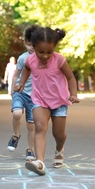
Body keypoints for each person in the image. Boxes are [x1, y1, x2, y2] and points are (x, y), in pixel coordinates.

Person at [15, 26, 80, 176]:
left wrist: (74, 94)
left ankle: (59, 149)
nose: (45, 56)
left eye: (49, 52)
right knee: (39, 127)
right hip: (40, 99)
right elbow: (26, 69)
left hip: (59, 100)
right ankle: (40, 162)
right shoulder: (30, 60)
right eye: (41, 52)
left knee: (59, 134)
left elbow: (70, 77)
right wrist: (22, 83)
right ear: (34, 47)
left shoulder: (59, 60)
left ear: (54, 48)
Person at [7, 25, 38, 160]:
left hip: (35, 96)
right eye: (29, 45)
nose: (31, 48)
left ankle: (30, 149)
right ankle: (16, 135)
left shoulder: (42, 58)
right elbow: (16, 74)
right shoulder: (22, 58)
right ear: (25, 43)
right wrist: (12, 89)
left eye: (34, 45)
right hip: (20, 91)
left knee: (31, 125)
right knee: (17, 113)